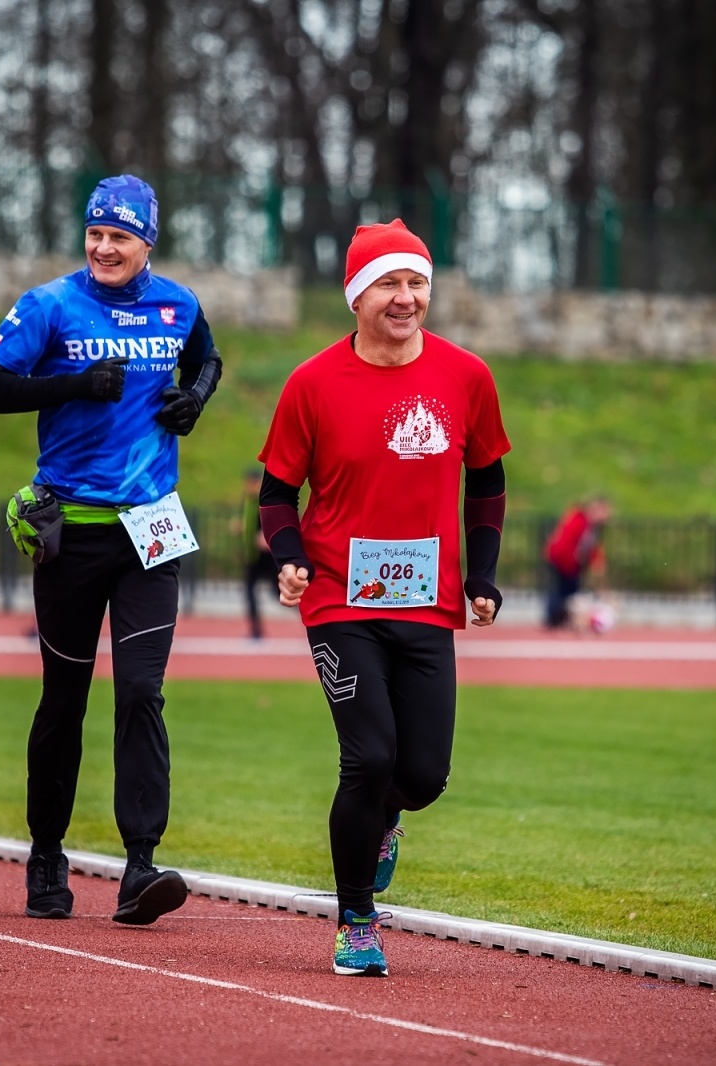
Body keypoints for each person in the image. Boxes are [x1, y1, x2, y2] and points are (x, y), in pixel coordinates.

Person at [0, 174, 222, 925]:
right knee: (64, 702)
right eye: (96, 234)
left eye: (121, 236)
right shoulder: (50, 304)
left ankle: (141, 867)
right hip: (71, 533)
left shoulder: (180, 305)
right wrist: (72, 382)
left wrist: (194, 400)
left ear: (148, 243)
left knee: (142, 692)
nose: (105, 247)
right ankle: (47, 854)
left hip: (151, 532)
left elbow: (207, 360)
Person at [257, 219, 509, 976]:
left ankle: (387, 823)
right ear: (356, 296)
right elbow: (276, 492)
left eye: (417, 283)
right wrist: (292, 556)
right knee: (368, 756)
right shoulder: (313, 382)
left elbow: (488, 478)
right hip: (340, 596)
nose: (406, 298)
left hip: (426, 603)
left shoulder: (467, 377)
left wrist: (483, 574)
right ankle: (356, 919)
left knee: (423, 775)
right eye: (389, 284)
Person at [543, 497, 612, 629]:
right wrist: (573, 563)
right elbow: (566, 544)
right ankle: (554, 619)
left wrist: (595, 561)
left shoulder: (591, 525)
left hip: (569, 562)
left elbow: (591, 548)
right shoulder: (580, 521)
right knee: (563, 591)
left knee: (567, 591)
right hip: (562, 560)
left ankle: (560, 619)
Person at [240, 466, 278, 639]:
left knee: (280, 592)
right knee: (249, 592)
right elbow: (249, 521)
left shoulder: (263, 500)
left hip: (267, 556)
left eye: (254, 482)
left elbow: (273, 519)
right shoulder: (248, 501)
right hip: (251, 556)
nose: (251, 485)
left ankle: (307, 618)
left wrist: (266, 535)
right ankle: (256, 631)